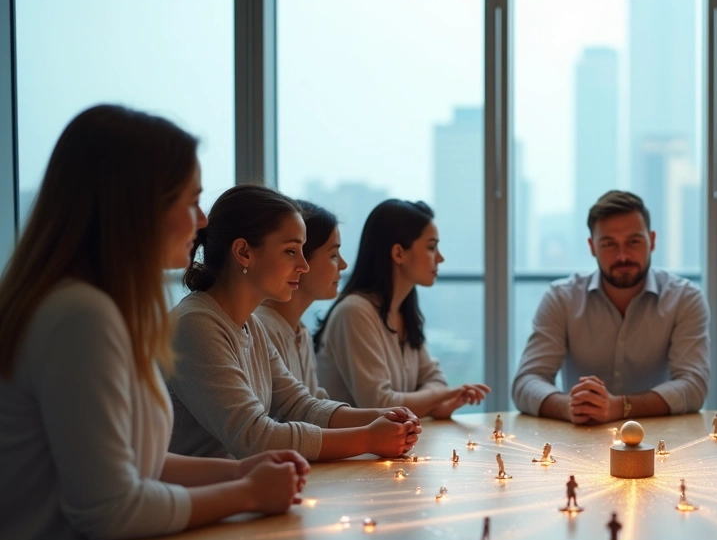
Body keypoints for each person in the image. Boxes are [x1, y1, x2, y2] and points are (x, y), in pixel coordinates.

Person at [0, 105, 303, 540]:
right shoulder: (79, 317)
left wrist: (237, 471)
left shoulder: (98, 308)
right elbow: (110, 508)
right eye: (191, 200)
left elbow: (133, 463)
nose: (202, 220)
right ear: (135, 209)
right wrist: (247, 494)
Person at [167, 184, 421, 462]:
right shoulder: (196, 325)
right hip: (203, 500)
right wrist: (368, 438)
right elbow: (254, 437)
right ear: (243, 252)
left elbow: (299, 405)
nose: (304, 265)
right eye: (291, 251)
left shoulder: (251, 325)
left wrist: (381, 416)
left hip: (241, 489)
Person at [513, 190, 710, 424]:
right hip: (579, 439)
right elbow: (527, 381)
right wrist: (569, 407)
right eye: (609, 244)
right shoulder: (561, 298)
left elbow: (694, 385)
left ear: (652, 241)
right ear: (592, 246)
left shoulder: (685, 298)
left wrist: (622, 407)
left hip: (662, 442)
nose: (623, 255)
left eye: (633, 242)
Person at [316, 200, 489, 417]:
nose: (440, 258)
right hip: (353, 451)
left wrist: (433, 400)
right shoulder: (354, 312)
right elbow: (381, 403)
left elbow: (434, 378)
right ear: (398, 253)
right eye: (431, 247)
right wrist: (438, 397)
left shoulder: (404, 310)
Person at [255, 200, 347, 398]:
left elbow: (311, 404)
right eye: (333, 255)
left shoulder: (300, 331)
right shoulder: (264, 328)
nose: (344, 265)